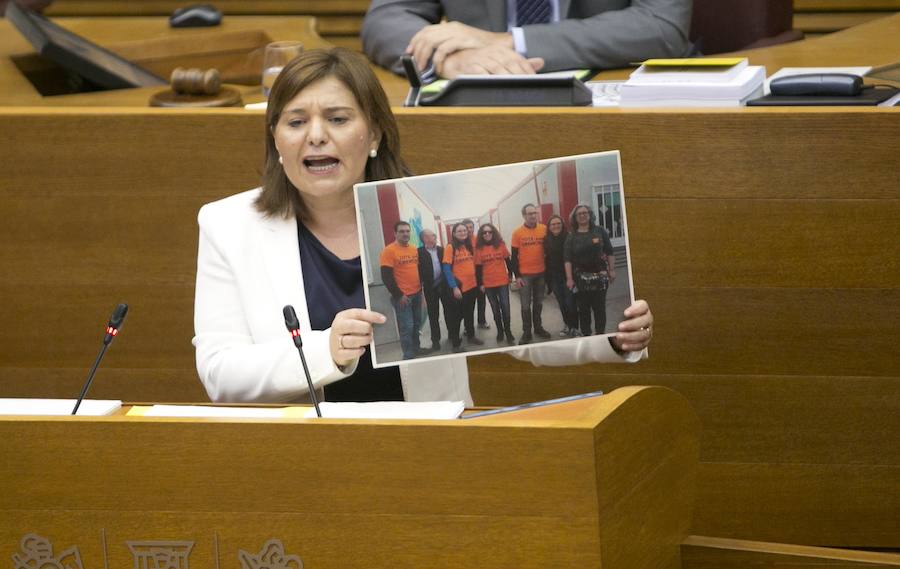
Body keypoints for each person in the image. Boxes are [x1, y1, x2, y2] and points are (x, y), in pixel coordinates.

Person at [193, 47, 653, 406]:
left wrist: (612, 337)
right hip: (302, 455)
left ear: (373, 135)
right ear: (276, 138)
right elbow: (220, 373)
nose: (315, 136)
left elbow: (515, 332)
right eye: (296, 122)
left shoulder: (415, 215)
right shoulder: (228, 225)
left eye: (337, 119)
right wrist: (325, 351)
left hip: (431, 446)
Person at [361, 0, 692, 79]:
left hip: (614, 95)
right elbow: (386, 17)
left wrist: (508, 42)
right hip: (484, 104)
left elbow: (661, 24)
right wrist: (450, 58)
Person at [565, 204, 616, 337]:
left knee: (599, 308)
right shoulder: (571, 236)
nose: (582, 215)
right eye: (579, 214)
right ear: (575, 218)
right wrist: (569, 278)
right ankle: (587, 335)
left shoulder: (599, 231)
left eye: (585, 213)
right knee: (583, 309)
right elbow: (567, 259)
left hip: (601, 275)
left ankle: (600, 334)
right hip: (580, 278)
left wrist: (612, 270)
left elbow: (609, 251)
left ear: (590, 214)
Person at [380, 221, 423, 360]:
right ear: (395, 233)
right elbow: (386, 277)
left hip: (417, 293)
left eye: (407, 231)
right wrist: (398, 295)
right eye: (401, 231)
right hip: (403, 297)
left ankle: (417, 349)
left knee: (417, 324)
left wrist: (421, 291)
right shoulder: (389, 250)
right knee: (407, 327)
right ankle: (408, 355)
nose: (405, 234)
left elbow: (417, 270)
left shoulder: (413, 249)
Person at [511, 203, 551, 344]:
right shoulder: (517, 233)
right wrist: (518, 277)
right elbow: (513, 257)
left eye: (535, 213)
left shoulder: (544, 229)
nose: (533, 215)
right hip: (525, 276)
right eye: (530, 213)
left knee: (539, 303)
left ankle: (538, 328)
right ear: (524, 216)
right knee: (525, 305)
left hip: (541, 273)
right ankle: (526, 332)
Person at [442, 223, 485, 352]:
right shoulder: (450, 247)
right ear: (454, 233)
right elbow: (446, 268)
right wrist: (454, 287)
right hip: (460, 289)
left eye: (464, 230)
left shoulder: (469, 246)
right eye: (459, 231)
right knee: (457, 317)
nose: (463, 232)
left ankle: (471, 336)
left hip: (472, 286)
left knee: (469, 313)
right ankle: (456, 344)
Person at [475, 223, 515, 344]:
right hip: (488, 284)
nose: (487, 234)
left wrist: (509, 276)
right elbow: (478, 269)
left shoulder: (500, 245)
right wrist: (481, 284)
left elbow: (508, 262)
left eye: (490, 232)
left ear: (493, 233)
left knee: (506, 308)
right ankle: (500, 331)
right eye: (484, 232)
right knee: (495, 309)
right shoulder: (479, 249)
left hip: (502, 282)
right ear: (481, 235)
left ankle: (508, 332)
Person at [544, 214, 579, 336]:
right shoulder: (546, 240)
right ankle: (567, 325)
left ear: (562, 225)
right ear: (549, 227)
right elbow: (546, 259)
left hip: (568, 276)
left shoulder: (569, 237)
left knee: (570, 302)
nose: (555, 226)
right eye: (553, 224)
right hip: (554, 277)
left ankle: (574, 327)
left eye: (558, 223)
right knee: (561, 303)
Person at [417, 228, 450, 352]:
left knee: (449, 312)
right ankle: (435, 341)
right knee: (433, 315)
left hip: (444, 286)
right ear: (425, 238)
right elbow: (418, 272)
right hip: (430, 288)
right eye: (432, 235)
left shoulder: (442, 250)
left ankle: (452, 335)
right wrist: (420, 290)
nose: (435, 236)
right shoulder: (419, 252)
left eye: (434, 235)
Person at [463, 218, 490, 330]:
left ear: (474, 228)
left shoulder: (479, 240)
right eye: (467, 228)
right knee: (468, 304)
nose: (469, 230)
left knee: (481, 300)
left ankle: (481, 322)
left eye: (471, 227)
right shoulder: (460, 242)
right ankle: (467, 327)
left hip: (479, 275)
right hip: (466, 278)